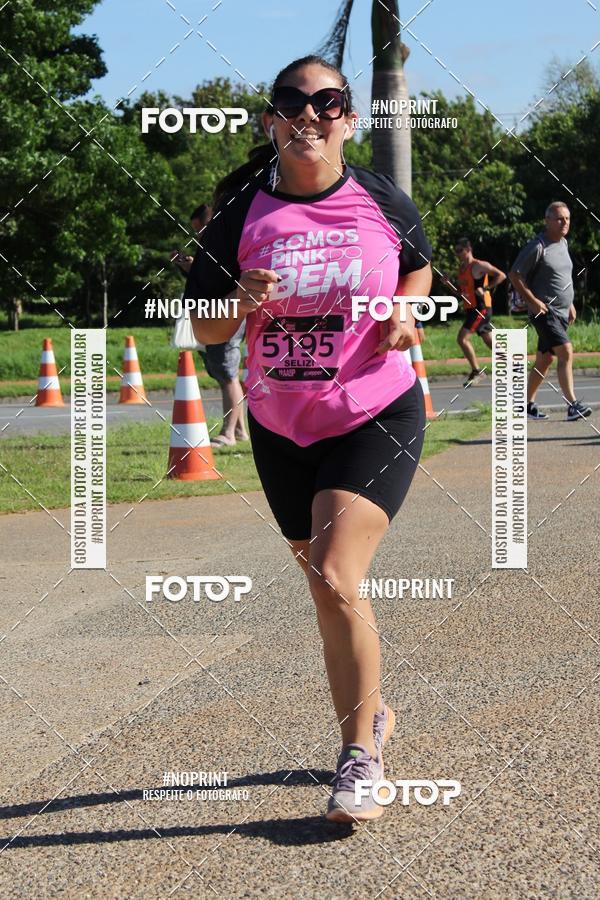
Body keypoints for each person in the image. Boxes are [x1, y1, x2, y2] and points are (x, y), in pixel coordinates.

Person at [185, 55, 432, 822]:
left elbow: (419, 270)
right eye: (292, 103)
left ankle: (360, 757)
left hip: (375, 412)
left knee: (333, 572)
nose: (310, 115)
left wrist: (403, 308)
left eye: (328, 103)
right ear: (271, 121)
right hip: (281, 425)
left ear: (349, 121)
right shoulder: (238, 219)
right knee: (326, 590)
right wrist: (236, 297)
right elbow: (203, 327)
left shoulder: (383, 199)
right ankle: (375, 714)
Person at [173, 204, 249, 446]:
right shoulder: (213, 246)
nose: (199, 235)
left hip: (227, 316)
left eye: (202, 229)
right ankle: (239, 431)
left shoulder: (227, 243)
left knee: (228, 375)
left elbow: (224, 280)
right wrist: (190, 266)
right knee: (222, 372)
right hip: (213, 316)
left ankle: (228, 433)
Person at [509, 203, 592, 421]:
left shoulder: (563, 243)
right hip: (545, 312)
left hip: (562, 311)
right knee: (565, 351)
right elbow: (515, 274)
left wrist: (571, 303)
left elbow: (561, 278)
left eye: (567, 218)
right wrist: (533, 301)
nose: (564, 223)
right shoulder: (537, 246)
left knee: (545, 360)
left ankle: (525, 405)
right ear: (547, 221)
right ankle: (573, 405)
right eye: (559, 219)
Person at [452, 238, 506, 387]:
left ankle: (478, 371)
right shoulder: (462, 269)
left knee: (462, 339)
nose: (457, 254)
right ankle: (512, 364)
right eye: (455, 251)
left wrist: (487, 289)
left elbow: (501, 275)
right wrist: (448, 283)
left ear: (468, 249)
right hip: (470, 308)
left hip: (481, 307)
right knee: (488, 340)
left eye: (459, 251)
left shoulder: (479, 265)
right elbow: (460, 293)